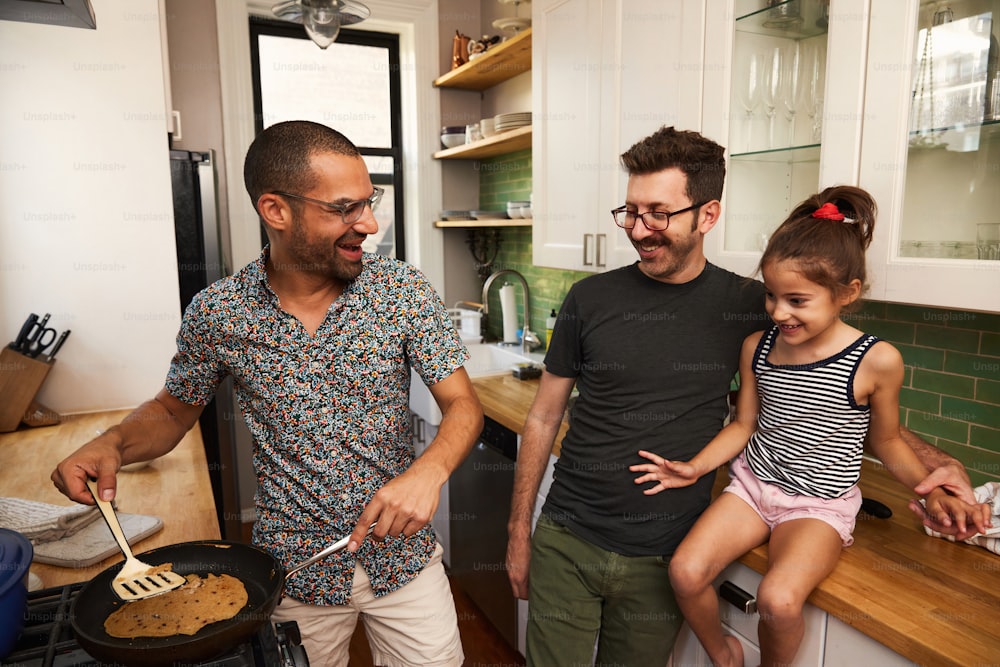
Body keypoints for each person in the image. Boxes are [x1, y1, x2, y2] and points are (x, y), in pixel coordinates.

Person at [505, 126, 986, 667]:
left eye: (659, 213)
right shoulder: (588, 298)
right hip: (567, 535)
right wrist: (519, 530)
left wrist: (940, 466)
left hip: (666, 546)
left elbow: (850, 400)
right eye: (630, 212)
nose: (639, 230)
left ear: (707, 215)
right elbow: (544, 417)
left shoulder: (758, 306)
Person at [51, 121, 483, 666]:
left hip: (403, 561)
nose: (369, 224)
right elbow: (169, 410)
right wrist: (112, 443)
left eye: (369, 203)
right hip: (294, 570)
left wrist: (429, 471)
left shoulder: (402, 290)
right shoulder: (219, 313)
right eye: (345, 208)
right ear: (276, 211)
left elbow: (464, 405)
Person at [630, 185, 991, 667]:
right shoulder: (758, 345)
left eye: (797, 300)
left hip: (819, 506)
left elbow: (885, 442)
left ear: (847, 293)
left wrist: (931, 490)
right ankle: (724, 652)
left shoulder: (877, 360)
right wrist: (695, 468)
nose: (780, 312)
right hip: (753, 489)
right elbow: (744, 426)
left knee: (779, 602)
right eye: (772, 296)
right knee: (684, 570)